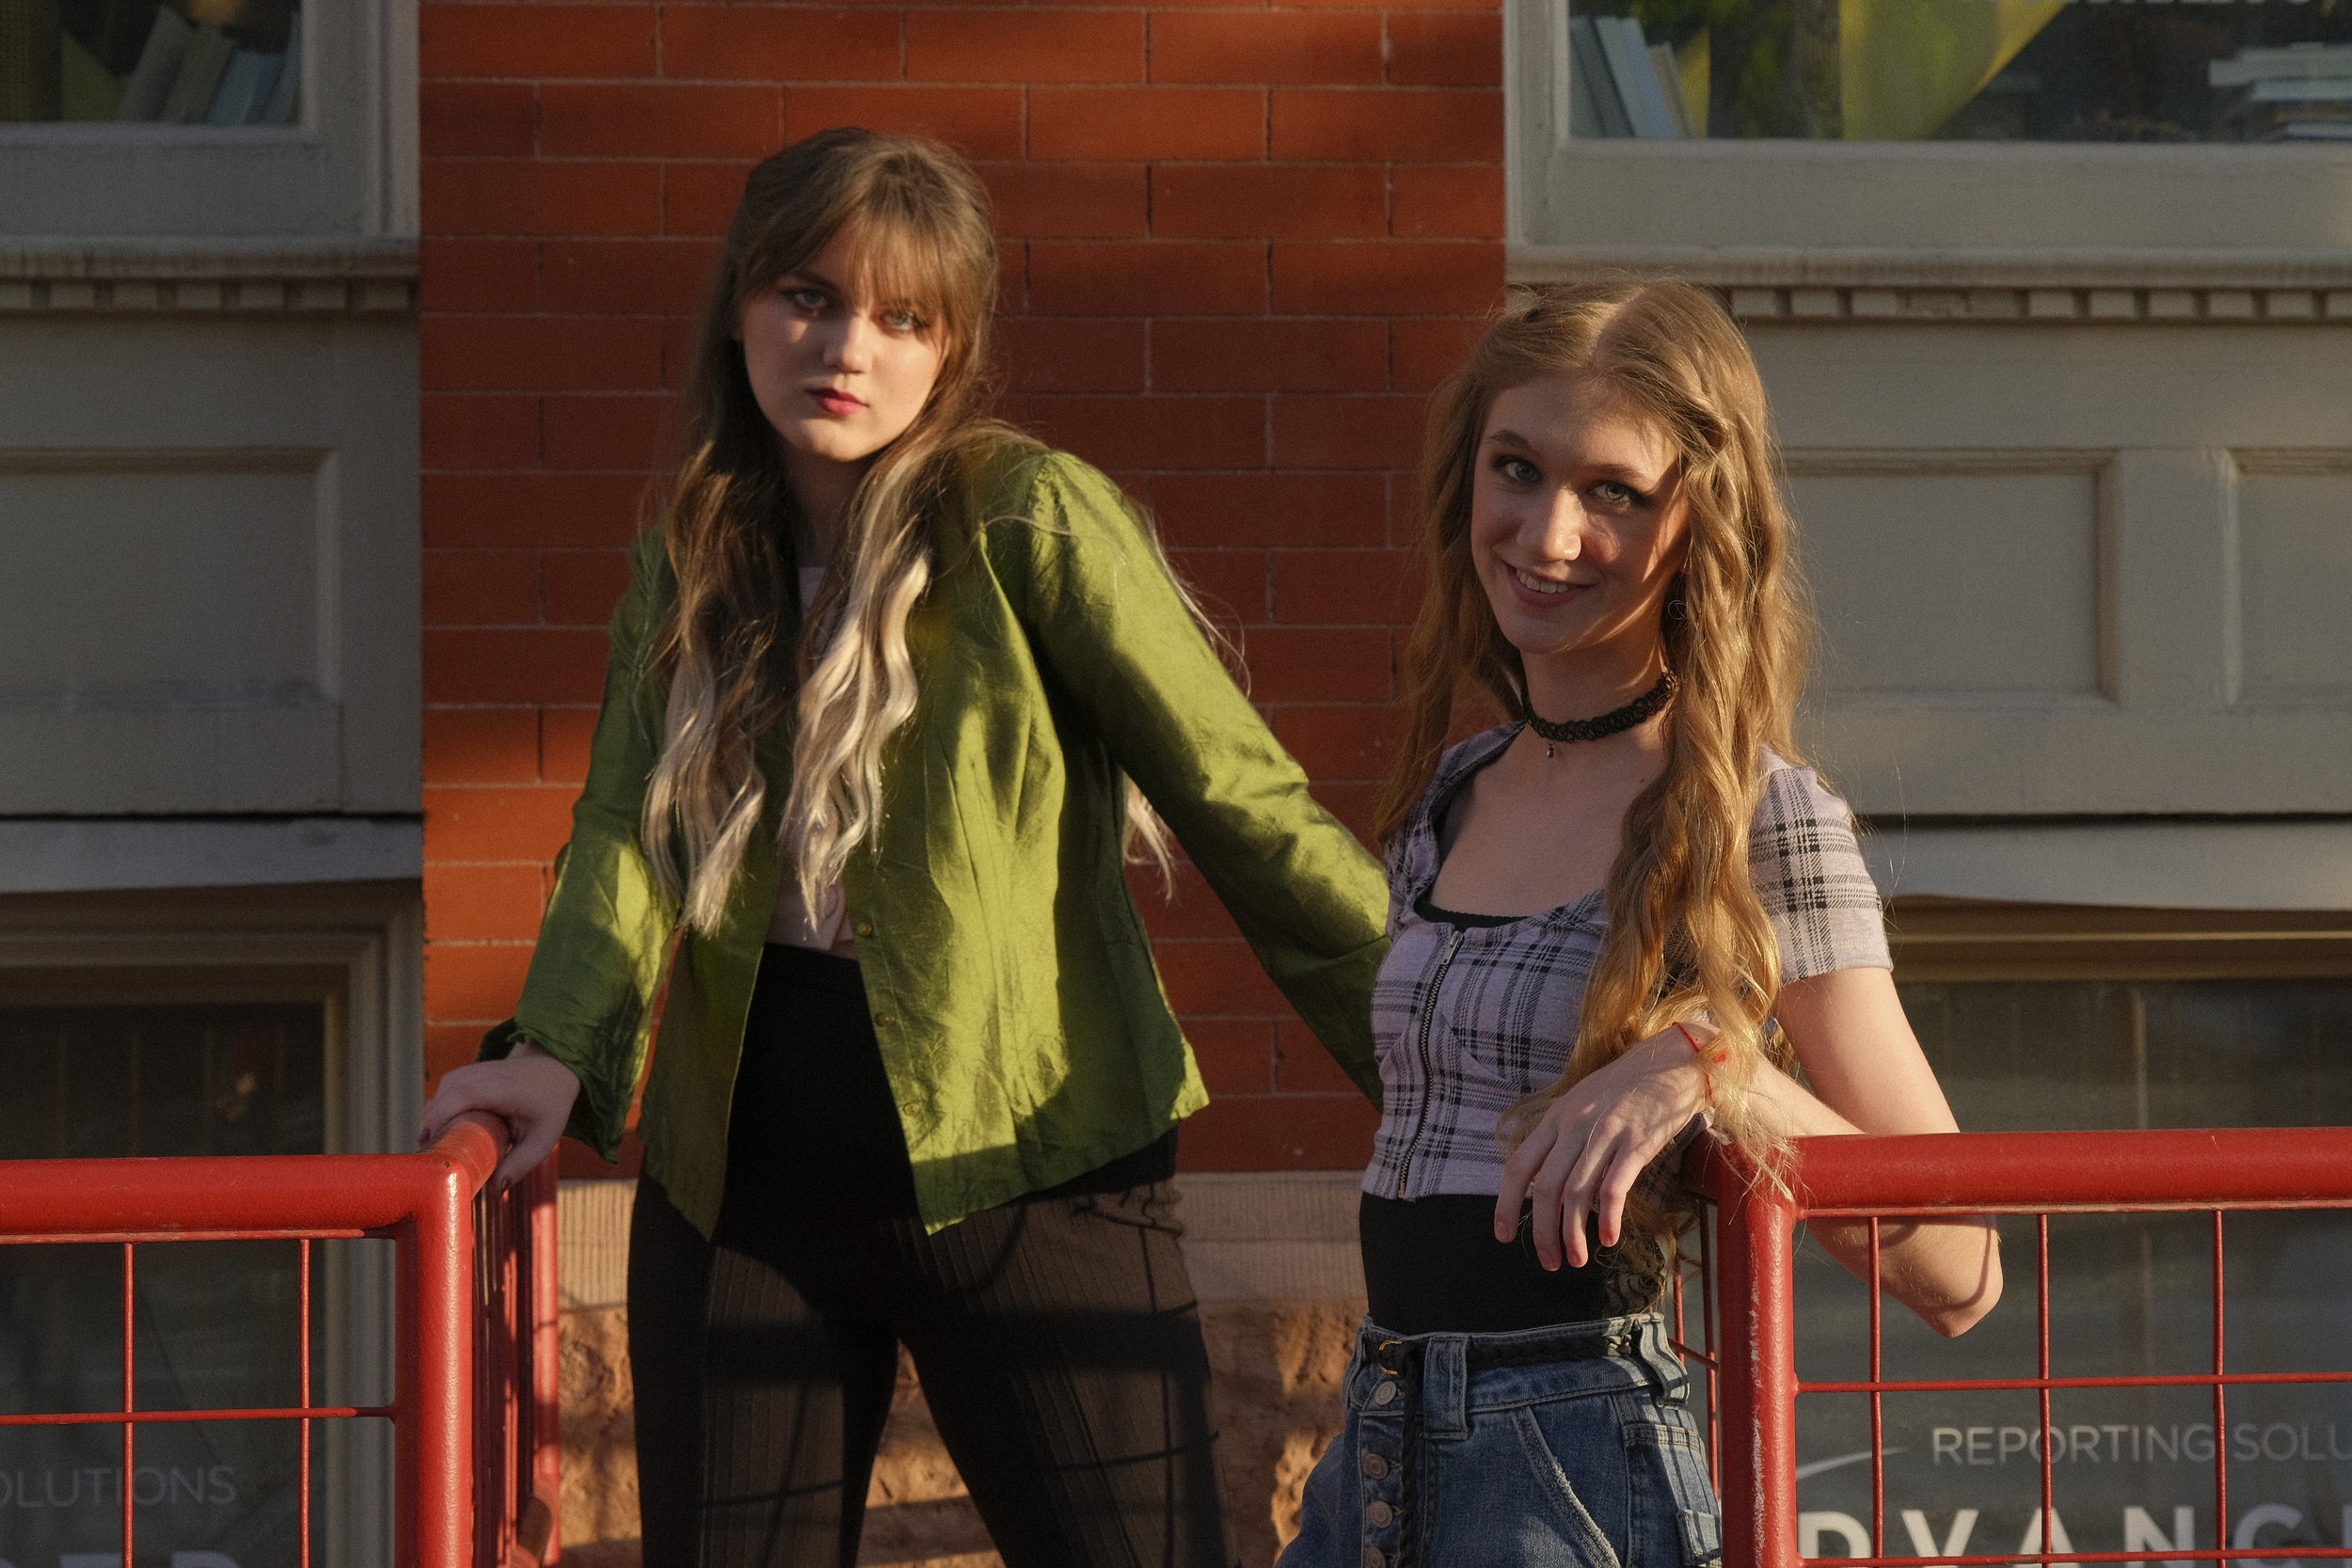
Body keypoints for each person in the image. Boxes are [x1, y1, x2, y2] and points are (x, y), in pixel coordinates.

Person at [418, 128, 1391, 1568]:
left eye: (902, 317)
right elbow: (626, 825)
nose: (845, 347)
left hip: (1030, 1153)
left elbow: (1243, 805)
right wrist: (555, 1051)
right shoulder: (690, 554)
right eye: (808, 296)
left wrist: (1443, 1054)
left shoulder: (1025, 518)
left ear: (953, 349)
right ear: (742, 304)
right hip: (742, 1178)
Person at [1279, 282, 2003, 1568]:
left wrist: (1715, 1069)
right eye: (1519, 469)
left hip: (1569, 1463)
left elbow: (1957, 1270)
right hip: (1378, 1435)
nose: (1548, 533)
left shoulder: (1761, 818)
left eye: (1614, 490)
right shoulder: (1452, 792)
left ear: (1697, 528)